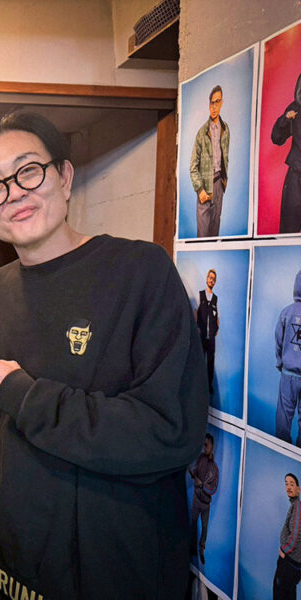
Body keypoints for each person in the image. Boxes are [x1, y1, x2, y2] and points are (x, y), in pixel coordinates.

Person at [0, 108, 209, 599]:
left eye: (28, 171)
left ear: (64, 177)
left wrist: (23, 395)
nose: (15, 193)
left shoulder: (140, 271)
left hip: (109, 565)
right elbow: (4, 431)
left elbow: (169, 431)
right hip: (6, 551)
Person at [190, 85, 230, 238]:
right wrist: (200, 189)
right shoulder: (202, 133)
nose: (214, 107)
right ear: (209, 105)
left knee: (215, 232)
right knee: (203, 235)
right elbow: (193, 166)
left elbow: (225, 157)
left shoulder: (225, 129)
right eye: (212, 103)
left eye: (217, 102)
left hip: (219, 183)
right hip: (206, 185)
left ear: (221, 103)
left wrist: (223, 183)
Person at [272, 72, 301, 234]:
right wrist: (285, 119)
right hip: (296, 173)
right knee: (288, 228)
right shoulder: (295, 108)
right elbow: (277, 138)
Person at [275, 269, 301, 446]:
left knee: (283, 417)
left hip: (288, 374)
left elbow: (278, 339)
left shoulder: (286, 312)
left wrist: (280, 362)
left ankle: (282, 451)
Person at [188, 433, 219, 565]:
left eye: (206, 444)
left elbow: (213, 489)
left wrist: (202, 485)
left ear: (212, 446)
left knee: (204, 527)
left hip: (205, 503)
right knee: (194, 523)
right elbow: (195, 470)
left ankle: (201, 550)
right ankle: (192, 549)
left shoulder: (214, 468)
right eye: (203, 444)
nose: (204, 447)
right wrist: (193, 473)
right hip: (196, 499)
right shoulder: (200, 458)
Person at [274, 473, 301, 600]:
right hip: (294, 565)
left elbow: (296, 534)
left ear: (298, 489)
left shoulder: (297, 506)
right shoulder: (295, 506)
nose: (288, 487)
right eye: (286, 484)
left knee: (280, 595)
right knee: (289, 595)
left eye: (292, 484)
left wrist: (284, 550)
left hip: (289, 563)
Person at [197, 268, 220, 394]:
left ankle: (208, 386)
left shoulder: (215, 299)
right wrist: (197, 328)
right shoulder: (200, 295)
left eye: (214, 279)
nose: (212, 280)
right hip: (201, 335)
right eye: (210, 278)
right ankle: (198, 385)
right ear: (207, 279)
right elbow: (196, 312)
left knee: (210, 362)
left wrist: (216, 329)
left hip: (211, 338)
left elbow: (218, 316)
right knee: (200, 360)